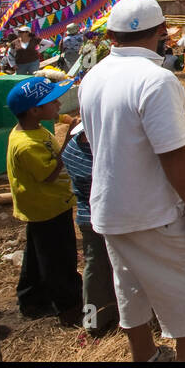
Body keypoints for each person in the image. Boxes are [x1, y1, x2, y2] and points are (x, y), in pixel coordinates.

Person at [78, 0, 185, 362]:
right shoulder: (157, 80)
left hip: (109, 206)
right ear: (162, 34)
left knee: (129, 284)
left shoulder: (93, 76)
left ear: (111, 35)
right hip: (153, 207)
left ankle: (145, 355)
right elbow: (171, 152)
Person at [4, 76, 82, 324]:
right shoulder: (26, 144)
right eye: (52, 101)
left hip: (45, 205)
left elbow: (59, 116)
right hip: (46, 206)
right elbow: (48, 175)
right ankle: (69, 306)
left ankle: (31, 299)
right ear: (34, 110)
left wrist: (69, 122)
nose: (58, 104)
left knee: (38, 255)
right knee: (59, 258)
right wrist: (69, 140)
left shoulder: (34, 128)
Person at [59, 122, 118, 336]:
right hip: (103, 218)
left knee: (96, 269)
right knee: (101, 271)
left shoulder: (72, 147)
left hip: (88, 217)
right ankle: (95, 321)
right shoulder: (95, 155)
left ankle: (99, 318)